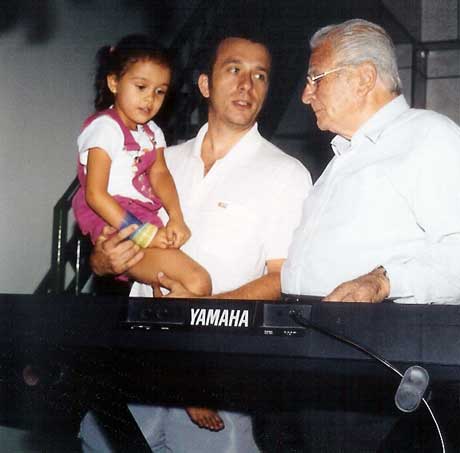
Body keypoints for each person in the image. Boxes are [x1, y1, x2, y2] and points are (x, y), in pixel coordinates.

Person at [78, 33, 312, 453]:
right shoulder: (158, 159)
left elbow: (283, 280)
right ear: (205, 84)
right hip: (135, 368)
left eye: (260, 75)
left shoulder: (286, 173)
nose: (247, 84)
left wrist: (203, 310)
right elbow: (108, 232)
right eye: (234, 69)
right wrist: (101, 261)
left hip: (215, 381)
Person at [281, 18, 460, 305]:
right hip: (315, 335)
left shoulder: (428, 136)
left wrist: (385, 281)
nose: (305, 95)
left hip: (371, 341)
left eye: (316, 79)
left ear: (364, 78)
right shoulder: (343, 155)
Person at [72, 34, 211, 296]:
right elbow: (95, 195)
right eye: (141, 87)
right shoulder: (105, 128)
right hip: (115, 222)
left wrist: (176, 218)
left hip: (142, 217)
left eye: (160, 91)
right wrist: (143, 235)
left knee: (192, 286)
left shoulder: (152, 132)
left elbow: (159, 173)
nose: (150, 99)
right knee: (198, 283)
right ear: (114, 82)